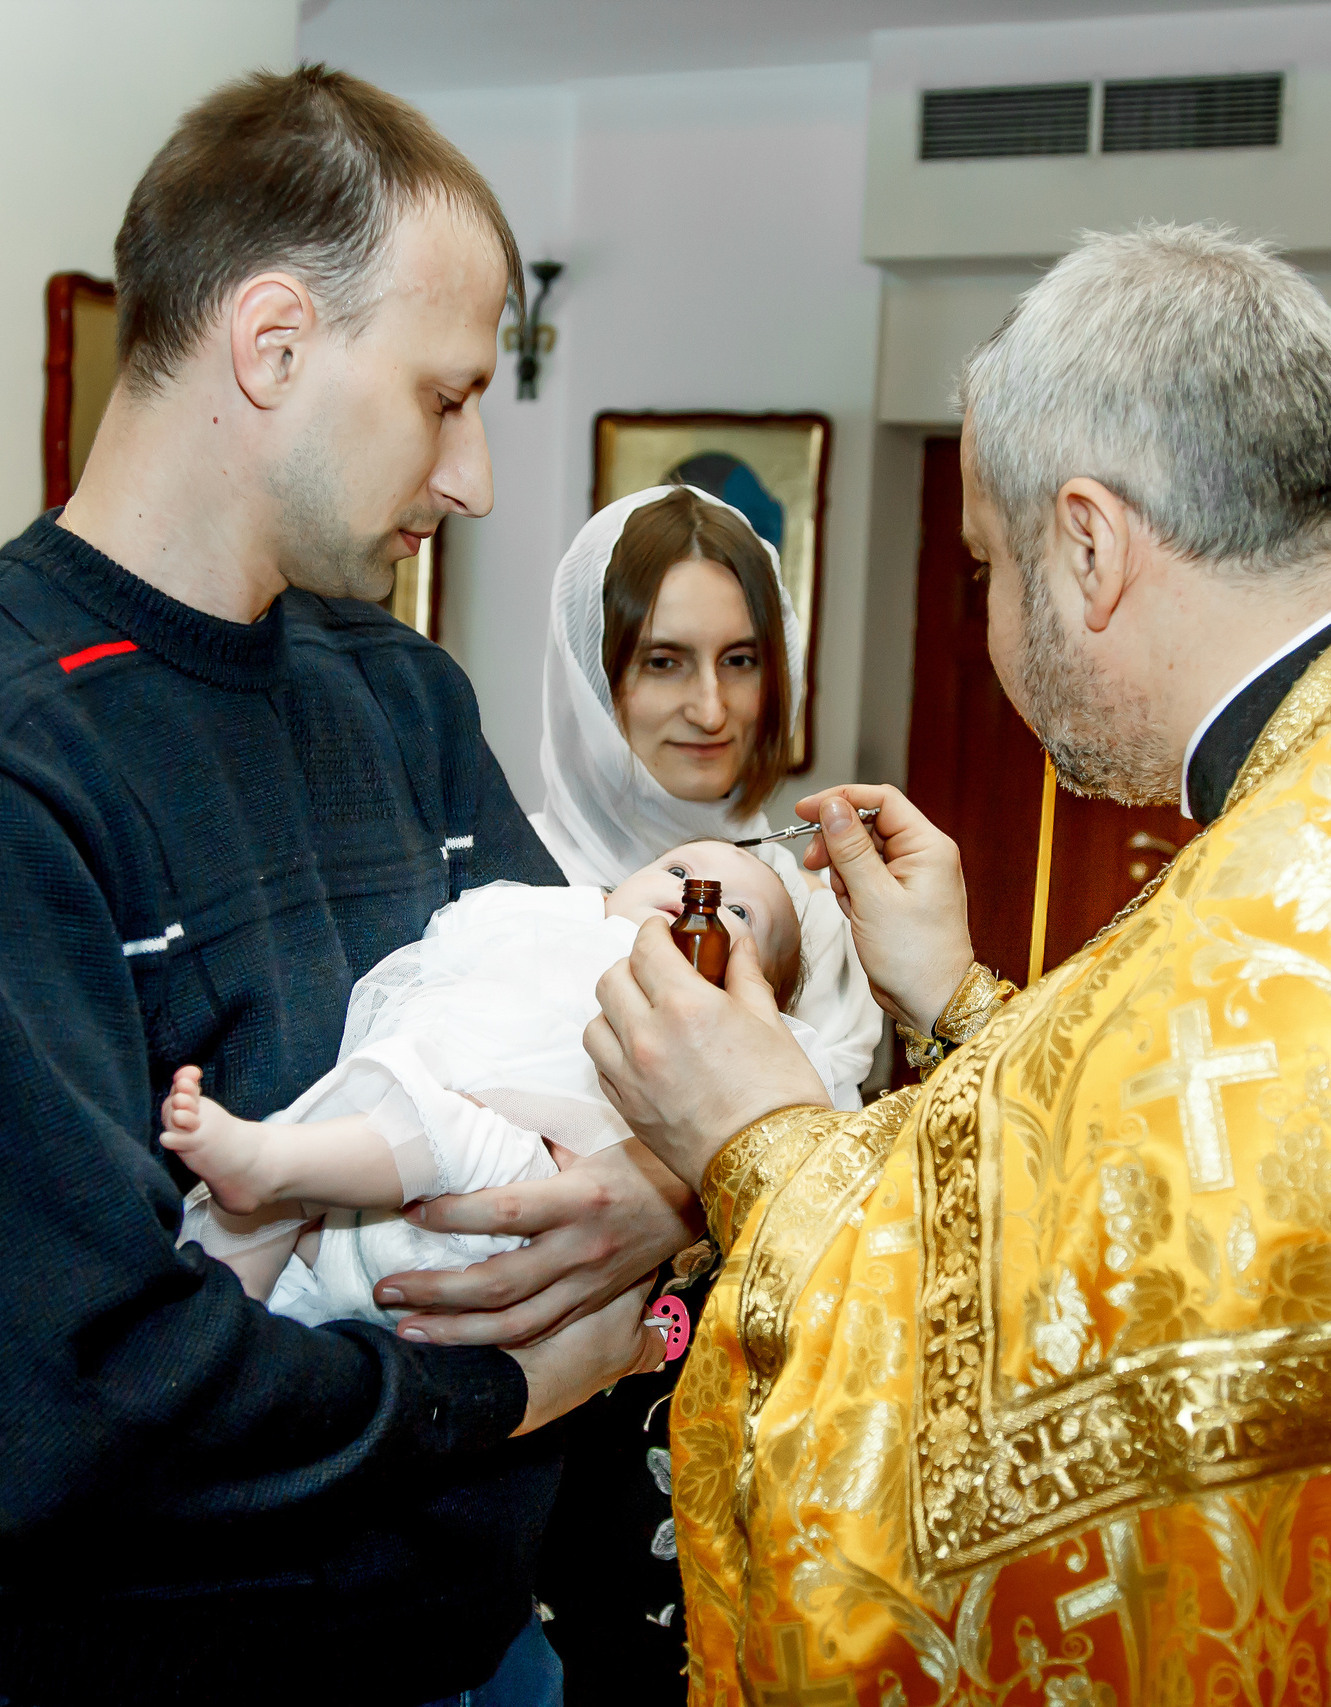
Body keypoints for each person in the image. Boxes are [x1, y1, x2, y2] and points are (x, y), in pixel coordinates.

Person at [589, 226, 1331, 1702]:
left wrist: (756, 1138)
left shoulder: (1289, 901)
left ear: (1086, 544)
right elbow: (1211, 1231)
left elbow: (975, 1470)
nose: (995, 622)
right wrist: (960, 1005)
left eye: (988, 568)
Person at [0, 68, 683, 1707]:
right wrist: (505, 1388)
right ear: (271, 348)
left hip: (488, 1652)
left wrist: (660, 1195)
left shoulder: (399, 695)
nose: (472, 474)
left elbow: (605, 1055)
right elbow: (63, 1407)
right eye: (446, 395)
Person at [453, 483, 882, 1698]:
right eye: (664, 663)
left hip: (762, 1424)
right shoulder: (512, 895)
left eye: (741, 660)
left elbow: (850, 1192)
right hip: (545, 1425)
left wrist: (679, 1193)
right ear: (594, 679)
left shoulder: (819, 912)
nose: (710, 708)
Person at [167, 839, 806, 1326]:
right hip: (356, 1217)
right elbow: (459, 929)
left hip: (502, 1224)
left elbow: (795, 1119)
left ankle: (266, 1164)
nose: (699, 893)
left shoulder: (730, 1040)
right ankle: (231, 1289)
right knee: (343, 1123)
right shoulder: (551, 917)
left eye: (740, 909)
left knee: (445, 1121)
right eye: (675, 871)